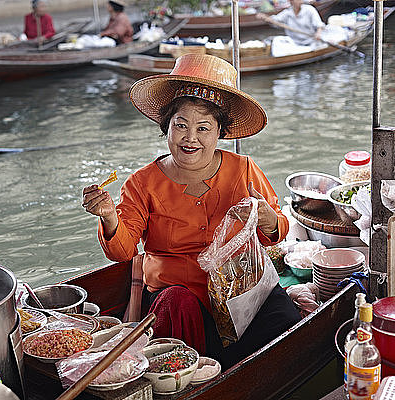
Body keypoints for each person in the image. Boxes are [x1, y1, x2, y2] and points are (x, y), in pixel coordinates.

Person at [81, 54, 301, 369]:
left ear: (220, 132)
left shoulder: (244, 169)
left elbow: (274, 232)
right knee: (177, 304)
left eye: (203, 128)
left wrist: (266, 217)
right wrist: (108, 215)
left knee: (284, 320)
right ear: (166, 127)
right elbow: (123, 250)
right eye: (180, 125)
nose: (190, 137)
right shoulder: (142, 183)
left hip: (238, 289)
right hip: (179, 296)